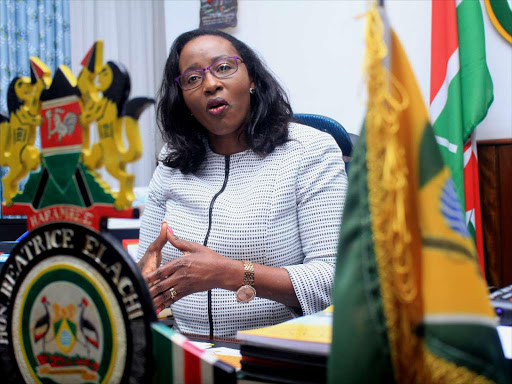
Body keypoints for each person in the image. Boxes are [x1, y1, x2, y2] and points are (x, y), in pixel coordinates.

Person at [137, 29, 348, 339]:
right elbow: (147, 265)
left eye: (224, 68)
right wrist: (143, 274)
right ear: (182, 98)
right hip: (185, 352)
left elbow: (336, 280)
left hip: (276, 356)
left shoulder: (310, 152)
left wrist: (231, 274)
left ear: (252, 79)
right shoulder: (173, 160)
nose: (210, 84)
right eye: (193, 78)